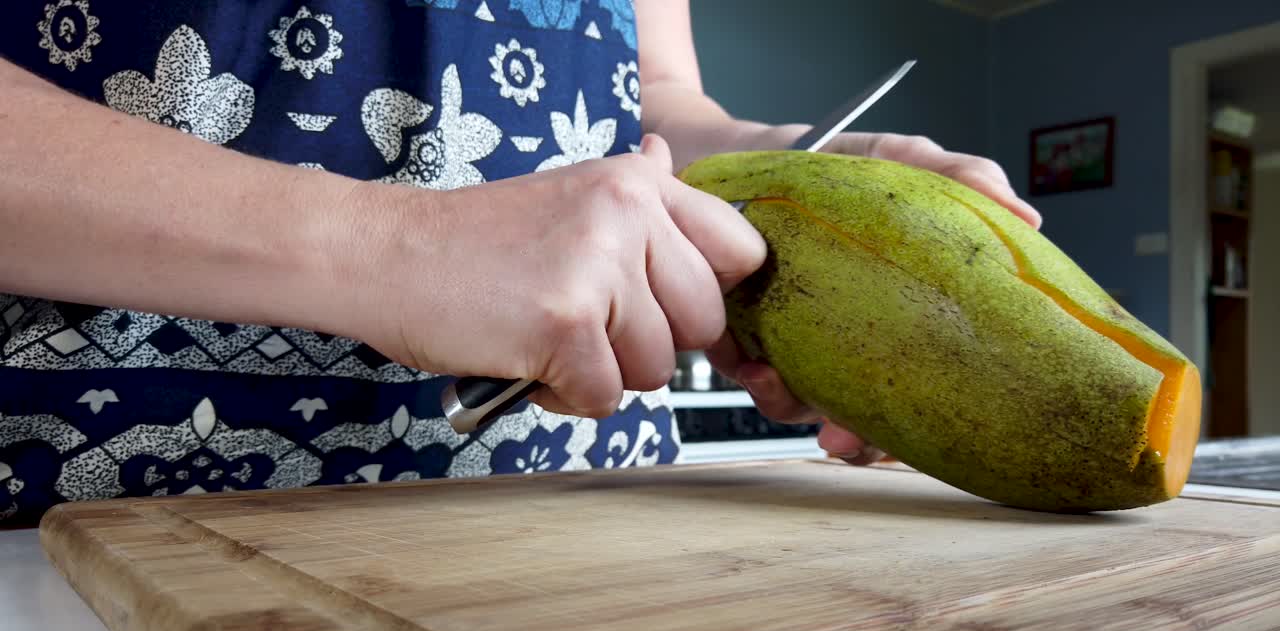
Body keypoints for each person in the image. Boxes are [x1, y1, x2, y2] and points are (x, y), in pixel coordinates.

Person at [0, 0, 1041, 526]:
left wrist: (809, 194)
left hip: (585, 507)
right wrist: (391, 246)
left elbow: (655, 106)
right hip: (79, 521)